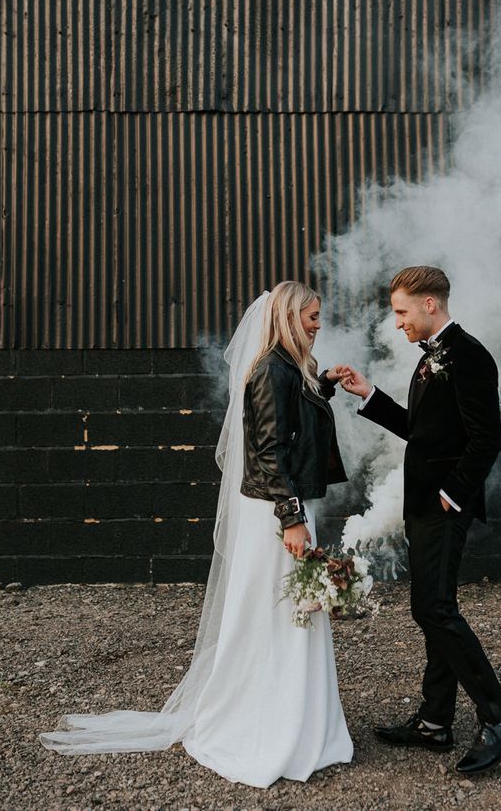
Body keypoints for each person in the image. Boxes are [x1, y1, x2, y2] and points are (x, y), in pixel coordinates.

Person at [40, 282, 354, 788]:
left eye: (319, 317)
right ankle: (270, 722)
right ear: (288, 317)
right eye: (312, 316)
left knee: (286, 611)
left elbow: (295, 421)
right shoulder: (272, 369)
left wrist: (330, 384)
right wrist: (292, 517)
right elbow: (270, 450)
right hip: (277, 510)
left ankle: (292, 717)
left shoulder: (288, 367)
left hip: (281, 505)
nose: (319, 325)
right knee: (277, 612)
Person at [340, 265, 501, 775]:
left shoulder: (468, 356)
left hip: (443, 506)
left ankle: (500, 718)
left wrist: (452, 494)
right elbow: (422, 432)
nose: (397, 322)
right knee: (433, 608)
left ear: (429, 304)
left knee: (435, 609)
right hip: (423, 503)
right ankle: (435, 722)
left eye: (401, 311)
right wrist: (371, 397)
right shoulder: (433, 358)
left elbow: (488, 438)